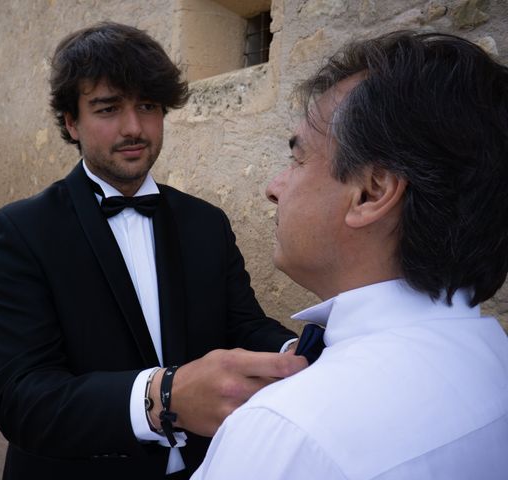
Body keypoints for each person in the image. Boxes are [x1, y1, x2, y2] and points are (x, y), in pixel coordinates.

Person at [0, 22, 308, 480]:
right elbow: (24, 400)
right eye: (108, 108)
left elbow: (244, 324)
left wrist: (299, 352)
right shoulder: (21, 230)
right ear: (71, 121)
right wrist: (163, 396)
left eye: (148, 106)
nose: (133, 127)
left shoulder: (206, 222)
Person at [192, 31, 508, 479]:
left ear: (371, 192)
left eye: (298, 160)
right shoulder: (494, 357)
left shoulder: (288, 435)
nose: (273, 188)